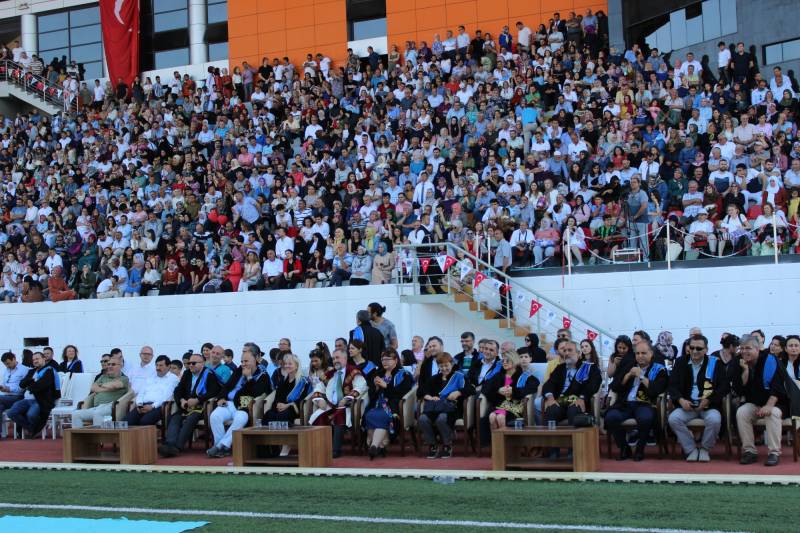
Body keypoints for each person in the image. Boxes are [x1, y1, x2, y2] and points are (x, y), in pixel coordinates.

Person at [668, 335, 730, 462]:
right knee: (673, 419)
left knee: (715, 420)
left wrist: (709, 399)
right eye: (692, 348)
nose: (694, 351)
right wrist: (680, 400)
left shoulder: (715, 363)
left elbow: (724, 387)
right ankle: (691, 449)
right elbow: (672, 386)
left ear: (706, 349)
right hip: (687, 405)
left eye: (699, 348)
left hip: (709, 405)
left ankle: (705, 449)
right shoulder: (680, 362)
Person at [604, 340, 668, 461]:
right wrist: (627, 376)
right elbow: (615, 386)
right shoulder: (629, 365)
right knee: (610, 417)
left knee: (645, 418)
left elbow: (656, 390)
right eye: (637, 353)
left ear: (651, 354)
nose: (640, 356)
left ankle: (640, 449)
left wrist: (641, 376)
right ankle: (624, 448)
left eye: (643, 353)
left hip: (645, 404)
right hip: (624, 404)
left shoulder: (659, 369)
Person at [733, 334, 789, 466]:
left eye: (748, 348)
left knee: (772, 413)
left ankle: (774, 453)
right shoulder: (739, 362)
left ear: (757, 349)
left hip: (777, 403)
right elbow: (738, 390)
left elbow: (778, 387)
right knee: (742, 412)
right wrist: (745, 371)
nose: (744, 351)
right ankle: (749, 451)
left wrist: (769, 405)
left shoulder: (771, 360)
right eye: (742, 348)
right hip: (755, 403)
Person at [207, 346, 270, 458]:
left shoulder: (263, 375)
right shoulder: (239, 370)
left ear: (256, 360)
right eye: (242, 361)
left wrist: (249, 378)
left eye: (246, 361)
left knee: (241, 419)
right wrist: (221, 397)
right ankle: (221, 447)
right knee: (215, 416)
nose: (243, 364)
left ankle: (221, 446)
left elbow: (256, 393)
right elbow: (227, 386)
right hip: (229, 403)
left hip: (244, 406)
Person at [159, 352, 222, 458]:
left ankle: (177, 447)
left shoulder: (209, 374)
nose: (190, 365)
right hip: (186, 406)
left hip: (201, 407)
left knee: (191, 418)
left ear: (202, 363)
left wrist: (198, 400)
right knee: (175, 418)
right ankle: (170, 444)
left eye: (193, 363)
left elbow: (214, 391)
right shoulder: (187, 373)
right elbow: (178, 390)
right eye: (189, 363)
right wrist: (181, 400)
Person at [309, 348, 367, 458]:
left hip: (347, 406)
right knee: (319, 416)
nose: (335, 361)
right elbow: (318, 388)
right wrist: (320, 400)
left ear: (345, 358)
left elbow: (361, 386)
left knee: (339, 416)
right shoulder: (330, 374)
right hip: (330, 405)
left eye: (337, 358)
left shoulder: (354, 372)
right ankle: (320, 449)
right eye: (333, 358)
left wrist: (346, 399)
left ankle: (335, 450)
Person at [418, 352, 473, 459]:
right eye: (441, 366)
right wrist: (429, 397)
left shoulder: (459, 376)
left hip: (452, 409)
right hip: (434, 408)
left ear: (451, 364)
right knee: (422, 419)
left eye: (446, 365)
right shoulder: (434, 378)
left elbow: (471, 389)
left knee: (441, 418)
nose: (444, 368)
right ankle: (433, 445)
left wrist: (458, 392)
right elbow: (421, 391)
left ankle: (447, 445)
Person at [363, 348, 414, 459]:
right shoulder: (378, 373)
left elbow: (402, 393)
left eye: (388, 359)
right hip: (377, 404)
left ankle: (374, 445)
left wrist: (386, 386)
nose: (384, 362)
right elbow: (371, 394)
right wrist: (376, 388)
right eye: (382, 359)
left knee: (382, 416)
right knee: (370, 414)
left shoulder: (404, 374)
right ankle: (380, 446)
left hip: (393, 407)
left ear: (396, 360)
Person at [542, 340, 602, 428]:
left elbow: (593, 385)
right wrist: (550, 398)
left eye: (570, 350)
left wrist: (582, 398)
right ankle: (551, 436)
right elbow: (549, 384)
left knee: (573, 409)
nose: (566, 353)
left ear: (579, 353)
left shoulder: (589, 367)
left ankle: (575, 437)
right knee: (551, 409)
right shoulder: (560, 368)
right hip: (560, 402)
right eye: (565, 350)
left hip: (578, 401)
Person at [485, 349, 539, 430]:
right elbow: (487, 388)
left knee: (500, 417)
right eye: (503, 361)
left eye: (507, 360)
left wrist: (513, 391)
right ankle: (495, 438)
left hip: (515, 407)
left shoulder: (524, 376)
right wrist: (498, 390)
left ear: (514, 361)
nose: (504, 362)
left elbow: (533, 386)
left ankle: (504, 438)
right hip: (500, 405)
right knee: (492, 416)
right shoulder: (498, 376)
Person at [7, 352, 58, 437]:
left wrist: (29, 384)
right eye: (33, 359)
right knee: (11, 413)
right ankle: (32, 429)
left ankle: (33, 430)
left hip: (40, 400)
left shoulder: (49, 371)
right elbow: (21, 384)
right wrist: (31, 381)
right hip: (26, 400)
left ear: (44, 359)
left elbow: (41, 386)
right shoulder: (31, 371)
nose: (35, 361)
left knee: (31, 414)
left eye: (37, 359)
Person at [71, 357, 130, 427]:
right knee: (75, 414)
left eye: (113, 364)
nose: (110, 366)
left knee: (98, 413)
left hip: (111, 407)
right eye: (109, 364)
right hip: (97, 407)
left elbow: (114, 385)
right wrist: (107, 388)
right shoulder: (103, 377)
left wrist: (100, 386)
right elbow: (93, 388)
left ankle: (98, 434)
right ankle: (78, 434)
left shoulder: (124, 378)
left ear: (120, 366)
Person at [126, 355, 179, 427]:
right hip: (143, 405)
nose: (158, 368)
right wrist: (139, 404)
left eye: (161, 365)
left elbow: (166, 396)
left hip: (158, 407)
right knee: (126, 421)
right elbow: (141, 392)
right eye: (156, 365)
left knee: (144, 422)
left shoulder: (173, 379)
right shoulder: (150, 377)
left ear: (168, 366)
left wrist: (152, 406)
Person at [0, 352, 29, 438]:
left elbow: (23, 388)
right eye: (5, 364)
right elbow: (4, 383)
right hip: (5, 397)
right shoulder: (7, 370)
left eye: (8, 363)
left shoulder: (24, 370)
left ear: (14, 359)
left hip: (18, 397)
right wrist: (3, 388)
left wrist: (9, 389)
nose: (7, 366)